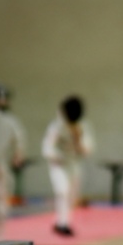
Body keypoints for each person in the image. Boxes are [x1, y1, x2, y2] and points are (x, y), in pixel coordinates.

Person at [42, 95, 94, 237]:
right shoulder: (57, 126)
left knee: (71, 196)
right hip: (58, 165)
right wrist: (55, 156)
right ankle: (62, 224)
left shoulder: (82, 127)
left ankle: (62, 222)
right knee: (62, 191)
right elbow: (47, 147)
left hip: (74, 165)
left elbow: (86, 151)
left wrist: (78, 139)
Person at [0, 81, 26, 238]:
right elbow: (19, 142)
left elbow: (19, 142)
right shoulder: (9, 122)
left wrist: (18, 156)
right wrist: (18, 156)